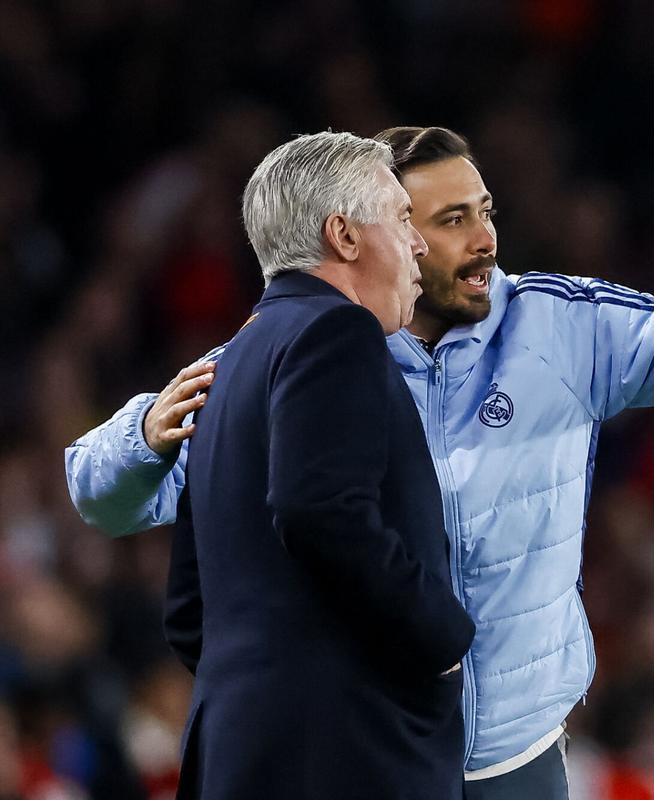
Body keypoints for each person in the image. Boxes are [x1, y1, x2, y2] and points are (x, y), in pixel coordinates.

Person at [65, 126, 654, 798]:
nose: (483, 238)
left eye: (484, 209)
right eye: (445, 220)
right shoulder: (307, 354)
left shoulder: (556, 328)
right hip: (375, 748)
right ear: (383, 230)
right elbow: (100, 495)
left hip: (516, 757)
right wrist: (144, 438)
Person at [166, 131, 475, 800]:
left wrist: (264, 682)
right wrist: (442, 636)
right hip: (343, 752)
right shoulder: (337, 333)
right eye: (400, 217)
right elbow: (319, 510)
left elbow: (191, 609)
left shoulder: (233, 362)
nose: (420, 243)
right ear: (345, 235)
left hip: (242, 748)